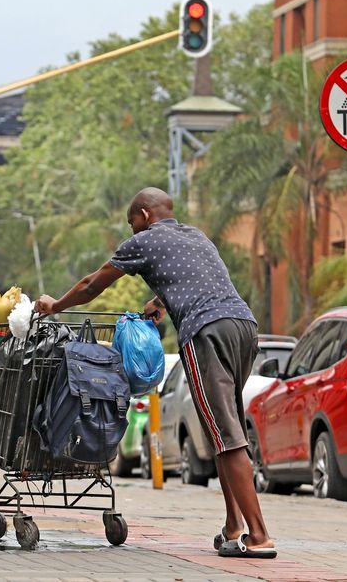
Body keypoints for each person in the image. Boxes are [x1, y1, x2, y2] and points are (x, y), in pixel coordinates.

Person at [35, 187, 276, 559]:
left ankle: (258, 535)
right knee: (221, 430)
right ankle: (233, 526)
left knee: (227, 435)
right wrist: (160, 301)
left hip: (205, 332)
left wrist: (56, 305)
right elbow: (199, 278)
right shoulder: (196, 236)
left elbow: (92, 284)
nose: (132, 230)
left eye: (132, 222)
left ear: (145, 215)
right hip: (244, 327)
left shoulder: (144, 241)